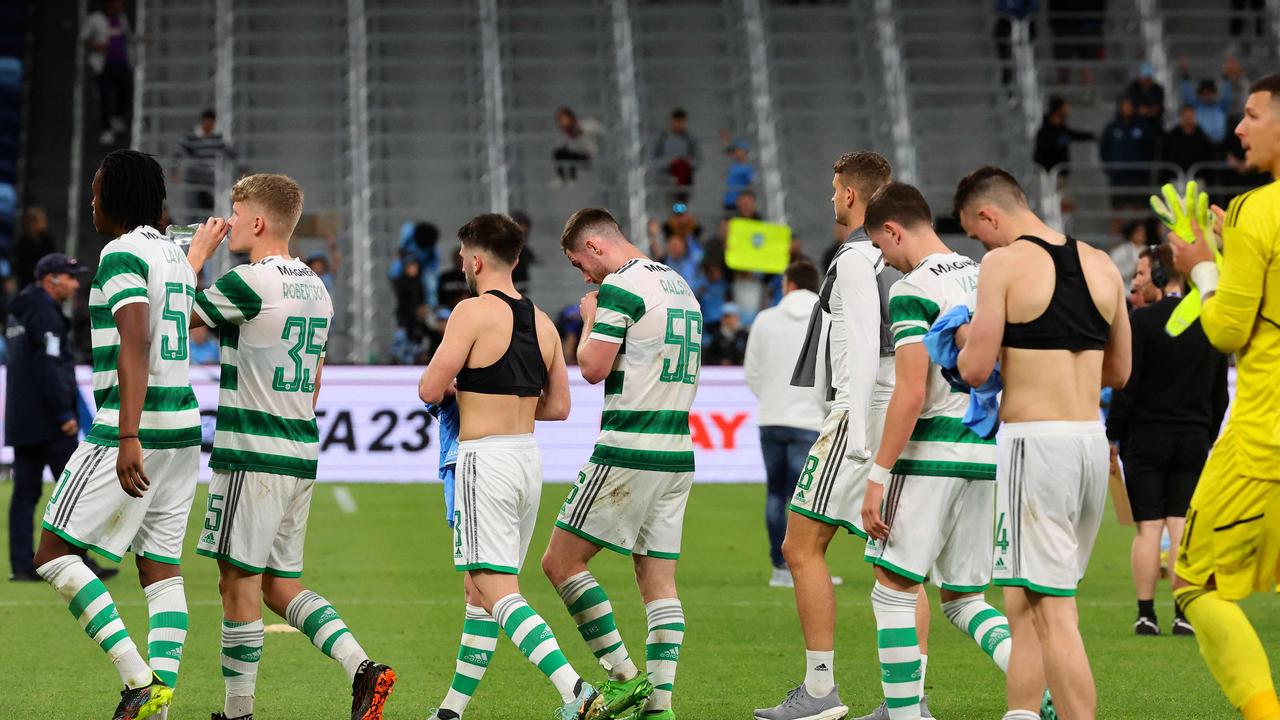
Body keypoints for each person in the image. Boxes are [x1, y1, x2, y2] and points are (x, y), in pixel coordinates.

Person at [182, 174, 396, 720]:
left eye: (235, 211)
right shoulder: (316, 287)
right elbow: (316, 379)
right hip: (298, 449)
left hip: (251, 452)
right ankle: (362, 668)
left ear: (257, 221)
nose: (227, 222)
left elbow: (175, 320)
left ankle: (237, 712)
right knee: (280, 585)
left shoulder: (250, 280)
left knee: (237, 582)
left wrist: (196, 256)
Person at [756, 151, 931, 720]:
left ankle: (820, 691)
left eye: (836, 190)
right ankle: (910, 700)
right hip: (904, 407)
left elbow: (858, 351)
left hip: (861, 410)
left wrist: (853, 432)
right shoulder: (906, 256)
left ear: (852, 196)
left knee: (800, 546)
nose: (832, 199)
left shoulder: (855, 255)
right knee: (899, 564)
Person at [955, 165, 1131, 720]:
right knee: (1022, 597)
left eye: (978, 233)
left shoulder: (1003, 265)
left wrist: (958, 338)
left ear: (989, 215)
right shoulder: (1103, 264)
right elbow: (1119, 371)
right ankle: (1022, 714)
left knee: (1055, 611)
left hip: (1036, 446)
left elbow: (976, 369)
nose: (982, 243)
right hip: (1087, 442)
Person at [33, 149, 202, 719]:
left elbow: (134, 342)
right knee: (160, 564)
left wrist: (127, 434)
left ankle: (136, 679)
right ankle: (159, 706)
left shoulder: (120, 252)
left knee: (54, 553)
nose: (91, 199)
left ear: (117, 197)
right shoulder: (174, 257)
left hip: (134, 426)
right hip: (183, 426)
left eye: (97, 188)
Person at [418, 213, 592, 720]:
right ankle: (450, 711)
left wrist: (470, 399)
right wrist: (506, 400)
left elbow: (431, 389)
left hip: (484, 461)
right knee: (480, 592)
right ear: (516, 259)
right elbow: (559, 407)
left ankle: (575, 690)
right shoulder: (542, 321)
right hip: (526, 460)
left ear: (474, 260)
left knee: (496, 590)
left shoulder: (470, 313)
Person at [859, 182, 1014, 720]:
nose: (886, 261)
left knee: (893, 588)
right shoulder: (987, 272)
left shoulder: (913, 289)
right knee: (966, 600)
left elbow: (911, 391)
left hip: (930, 454)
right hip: (986, 449)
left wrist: (878, 475)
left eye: (882, 247)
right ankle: (1043, 690)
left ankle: (904, 715)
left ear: (894, 230)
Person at [543, 207, 703, 720]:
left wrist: (589, 318)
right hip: (677, 449)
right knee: (658, 579)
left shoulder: (622, 287)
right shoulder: (680, 285)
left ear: (594, 247)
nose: (585, 277)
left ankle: (624, 680)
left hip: (629, 445)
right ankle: (659, 707)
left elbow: (592, 367)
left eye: (578, 264)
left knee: (560, 562)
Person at [1169, 74, 1280, 720]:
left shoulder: (1255, 209)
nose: (1238, 129)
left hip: (1263, 438)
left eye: (1253, 115)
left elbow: (1228, 328)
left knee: (1194, 584)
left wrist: (1203, 266)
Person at [1105, 244, 1228, 637]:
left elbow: (1127, 386)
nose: (1138, 283)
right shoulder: (1210, 321)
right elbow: (1219, 393)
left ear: (1159, 277)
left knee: (1148, 529)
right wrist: (1205, 433)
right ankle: (1182, 612)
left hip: (1146, 438)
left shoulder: (1141, 322)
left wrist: (1114, 435)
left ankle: (1146, 615)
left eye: (1143, 275)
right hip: (1192, 436)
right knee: (1180, 525)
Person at [5, 254, 95, 582]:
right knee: (74, 492)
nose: (75, 283)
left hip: (23, 419)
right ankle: (78, 561)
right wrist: (63, 413)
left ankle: (21, 565)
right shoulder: (45, 313)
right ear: (50, 280)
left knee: (25, 495)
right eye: (69, 277)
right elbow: (49, 366)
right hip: (50, 421)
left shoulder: (21, 310)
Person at [744, 259, 825, 587]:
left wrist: (773, 399)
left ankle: (780, 569)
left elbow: (751, 372)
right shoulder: (827, 319)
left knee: (776, 495)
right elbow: (832, 370)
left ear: (789, 284)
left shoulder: (764, 319)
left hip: (771, 419)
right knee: (809, 500)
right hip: (809, 420)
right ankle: (809, 569)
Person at [81, 0, 132, 145]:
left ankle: (116, 117)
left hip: (121, 62)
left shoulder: (122, 18)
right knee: (105, 97)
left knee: (125, 91)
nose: (122, 5)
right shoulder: (95, 19)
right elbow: (83, 40)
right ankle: (106, 129)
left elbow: (127, 36)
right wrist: (96, 46)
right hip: (103, 65)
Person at [172, 109, 237, 222]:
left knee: (209, 213)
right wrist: (174, 170)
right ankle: (192, 236)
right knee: (193, 211)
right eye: (206, 123)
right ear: (202, 122)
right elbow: (178, 153)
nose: (208, 126)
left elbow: (232, 154)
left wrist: (242, 169)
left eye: (211, 123)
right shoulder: (191, 137)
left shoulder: (218, 138)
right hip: (193, 180)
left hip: (209, 181)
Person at [1099, 98, 1156, 213]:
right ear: (1120, 108)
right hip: (1118, 177)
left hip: (1139, 176)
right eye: (1125, 106)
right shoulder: (1112, 127)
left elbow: (1151, 148)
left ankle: (1139, 231)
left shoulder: (1143, 126)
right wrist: (1110, 169)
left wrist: (1144, 166)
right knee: (1117, 212)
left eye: (1130, 106)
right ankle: (1117, 232)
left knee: (1139, 212)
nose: (1127, 109)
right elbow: (1104, 150)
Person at [1033, 96, 1096, 176]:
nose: (1067, 110)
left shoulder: (1062, 128)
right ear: (1058, 109)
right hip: (1047, 173)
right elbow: (1042, 151)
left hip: (1061, 173)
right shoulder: (1045, 129)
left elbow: (1073, 135)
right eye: (1065, 107)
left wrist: (1091, 136)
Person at [1161, 105, 1217, 182]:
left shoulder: (1202, 137)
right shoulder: (1171, 137)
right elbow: (1165, 159)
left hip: (1198, 178)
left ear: (1194, 117)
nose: (1188, 120)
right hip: (1175, 178)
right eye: (1185, 117)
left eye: (1190, 117)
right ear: (1180, 117)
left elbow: (1208, 159)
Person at [552, 106, 601, 186]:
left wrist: (582, 132)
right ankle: (564, 178)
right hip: (580, 156)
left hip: (588, 158)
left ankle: (571, 179)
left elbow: (596, 128)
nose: (560, 122)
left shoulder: (581, 126)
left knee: (566, 152)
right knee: (560, 152)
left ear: (570, 117)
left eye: (562, 119)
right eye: (559, 120)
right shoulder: (568, 133)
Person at [653, 108, 699, 190]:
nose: (678, 124)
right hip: (665, 181)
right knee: (667, 201)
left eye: (681, 122)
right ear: (671, 121)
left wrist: (686, 162)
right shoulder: (663, 138)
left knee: (680, 202)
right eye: (676, 121)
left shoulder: (690, 139)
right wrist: (670, 161)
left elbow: (698, 161)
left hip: (684, 182)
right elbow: (654, 160)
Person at [14, 207, 58, 287]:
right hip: (28, 281)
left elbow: (53, 259)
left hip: (46, 281)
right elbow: (21, 265)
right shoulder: (23, 241)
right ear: (32, 223)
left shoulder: (47, 238)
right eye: (42, 221)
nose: (45, 223)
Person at [1125, 63, 1167, 135]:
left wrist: (1146, 111)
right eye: (1145, 77)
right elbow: (1131, 108)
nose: (1147, 80)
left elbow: (1157, 109)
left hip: (1155, 125)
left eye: (1149, 77)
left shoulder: (1158, 89)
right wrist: (1139, 110)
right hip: (1135, 125)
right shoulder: (1132, 89)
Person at [1108, 220, 1148, 286]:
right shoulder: (1120, 251)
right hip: (1126, 289)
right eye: (1139, 232)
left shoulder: (1147, 250)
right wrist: (1132, 269)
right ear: (1132, 233)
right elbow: (1113, 272)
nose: (1142, 234)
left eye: (1143, 232)